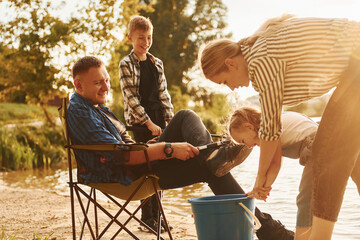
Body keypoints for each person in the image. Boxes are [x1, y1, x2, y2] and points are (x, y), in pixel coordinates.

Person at [68, 56, 295, 240]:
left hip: (135, 166)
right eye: (99, 82)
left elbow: (123, 147)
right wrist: (167, 149)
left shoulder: (96, 108)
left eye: (107, 80)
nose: (106, 87)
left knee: (187, 122)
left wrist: (150, 146)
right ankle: (268, 229)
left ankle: (265, 226)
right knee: (209, 165)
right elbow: (119, 158)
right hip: (124, 177)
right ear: (79, 84)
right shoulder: (81, 112)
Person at [198, 15, 360, 240]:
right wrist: (261, 183)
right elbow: (271, 142)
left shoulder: (258, 61)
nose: (231, 88)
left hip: (356, 59)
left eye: (224, 81)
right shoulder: (256, 52)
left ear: (230, 63)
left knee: (326, 152)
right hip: (353, 68)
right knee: (353, 162)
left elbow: (270, 129)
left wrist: (258, 182)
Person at [228, 107, 360, 239]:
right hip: (337, 141)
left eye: (243, 141)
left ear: (249, 127)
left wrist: (260, 189)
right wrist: (262, 189)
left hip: (319, 146)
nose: (248, 146)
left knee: (305, 199)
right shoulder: (272, 122)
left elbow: (273, 164)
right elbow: (274, 165)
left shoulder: (266, 129)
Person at [118, 15, 174, 231]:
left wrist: (169, 120)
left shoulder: (156, 63)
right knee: (146, 169)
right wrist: (149, 124)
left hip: (160, 121)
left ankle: (158, 216)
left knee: (161, 169)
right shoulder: (126, 64)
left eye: (149, 37)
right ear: (130, 37)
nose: (146, 42)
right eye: (141, 38)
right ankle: (146, 218)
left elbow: (164, 94)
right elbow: (131, 98)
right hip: (141, 124)